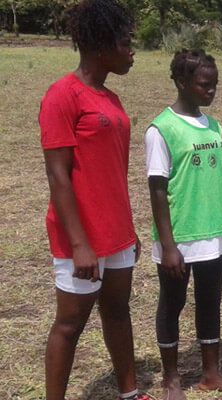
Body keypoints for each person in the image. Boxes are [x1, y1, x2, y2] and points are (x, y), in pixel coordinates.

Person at [39, 1, 150, 399]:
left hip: (116, 232)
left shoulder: (111, 99)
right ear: (102, 45)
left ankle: (130, 393)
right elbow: (58, 176)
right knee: (70, 323)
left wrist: (128, 230)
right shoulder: (62, 96)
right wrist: (80, 243)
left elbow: (113, 173)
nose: (132, 51)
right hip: (79, 235)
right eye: (125, 42)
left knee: (118, 311)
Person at [146, 49, 222, 398]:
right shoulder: (162, 129)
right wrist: (168, 245)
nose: (211, 91)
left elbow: (215, 183)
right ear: (181, 81)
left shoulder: (214, 126)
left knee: (210, 302)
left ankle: (211, 373)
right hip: (179, 237)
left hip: (212, 234)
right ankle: (171, 379)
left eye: (215, 84)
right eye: (204, 84)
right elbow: (158, 190)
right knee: (172, 304)